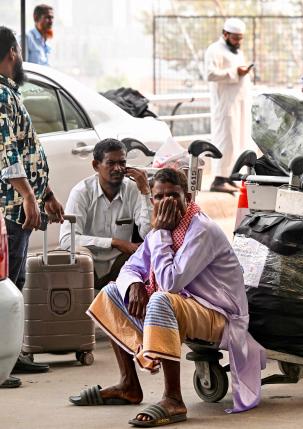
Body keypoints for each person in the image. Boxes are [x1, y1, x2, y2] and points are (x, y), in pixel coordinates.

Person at [68, 168, 265, 425]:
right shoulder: (161, 227)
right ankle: (129, 385)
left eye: (173, 196)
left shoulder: (199, 229)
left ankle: (173, 399)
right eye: (159, 197)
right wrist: (135, 284)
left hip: (220, 314)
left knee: (162, 299)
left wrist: (160, 232)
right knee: (112, 292)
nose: (166, 203)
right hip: (188, 304)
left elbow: (171, 282)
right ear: (152, 200)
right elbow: (131, 267)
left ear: (188, 197)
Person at [0, 26, 65, 387]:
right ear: (12, 52)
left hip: (21, 203)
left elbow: (26, 152)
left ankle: (12, 354)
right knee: (5, 284)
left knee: (16, 281)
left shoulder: (8, 93)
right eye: (19, 53)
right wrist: (27, 195)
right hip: (11, 206)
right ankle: (2, 359)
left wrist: (45, 193)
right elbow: (6, 152)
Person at [59, 138, 152, 289]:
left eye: (122, 163)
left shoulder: (133, 189)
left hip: (122, 264)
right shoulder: (81, 192)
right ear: (96, 165)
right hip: (88, 265)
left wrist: (145, 192)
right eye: (110, 163)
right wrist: (114, 242)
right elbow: (67, 240)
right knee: (77, 258)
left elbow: (147, 235)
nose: (117, 168)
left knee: (147, 252)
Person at [204, 18, 253, 194]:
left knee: (237, 140)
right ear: (225, 34)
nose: (238, 42)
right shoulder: (214, 50)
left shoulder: (236, 51)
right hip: (225, 105)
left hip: (239, 103)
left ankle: (229, 177)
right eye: (235, 38)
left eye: (241, 38)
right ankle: (218, 179)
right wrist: (235, 72)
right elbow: (210, 74)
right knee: (225, 140)